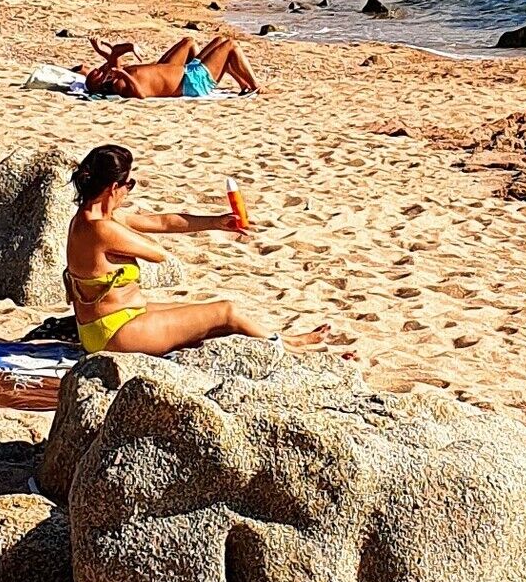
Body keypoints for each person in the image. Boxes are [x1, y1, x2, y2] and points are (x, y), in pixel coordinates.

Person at [66, 142, 331, 354]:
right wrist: (127, 234)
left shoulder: (88, 219)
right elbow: (157, 254)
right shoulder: (103, 228)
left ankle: (283, 340)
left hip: (110, 321)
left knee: (202, 317)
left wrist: (216, 222)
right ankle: (288, 350)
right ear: (114, 187)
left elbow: (162, 221)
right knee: (225, 311)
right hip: (115, 332)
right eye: (129, 185)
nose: (129, 191)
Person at [82, 28, 261, 100]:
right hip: (193, 83)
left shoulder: (113, 76)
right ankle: (255, 86)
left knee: (218, 40)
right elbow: (141, 95)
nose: (97, 70)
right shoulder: (120, 85)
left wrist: (126, 48)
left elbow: (115, 55)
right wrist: (124, 75)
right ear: (98, 85)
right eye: (95, 74)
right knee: (231, 45)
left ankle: (242, 83)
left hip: (188, 72)